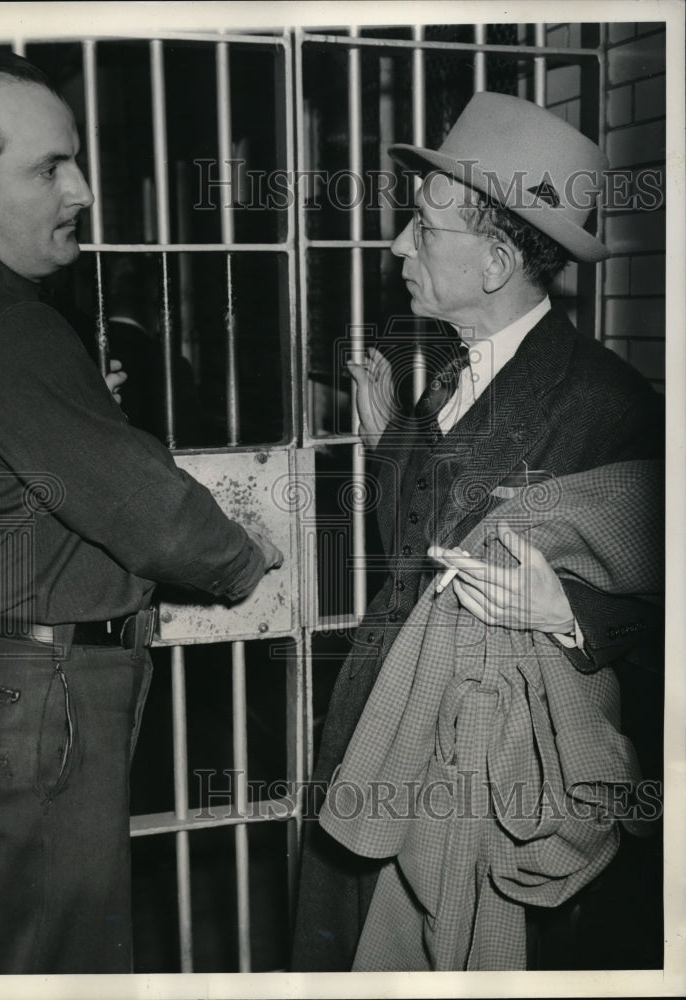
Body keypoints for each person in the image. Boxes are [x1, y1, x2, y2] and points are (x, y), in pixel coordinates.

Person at [291, 92, 664, 971]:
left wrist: (566, 614)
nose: (396, 248)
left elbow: (663, 605)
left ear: (496, 260)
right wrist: (392, 443)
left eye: (421, 228)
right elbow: (413, 548)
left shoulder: (610, 408)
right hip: (379, 721)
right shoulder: (451, 370)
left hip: (484, 782)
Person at [0, 51, 282, 975]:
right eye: (48, 168)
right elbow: (156, 517)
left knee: (8, 952)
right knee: (62, 963)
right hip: (42, 696)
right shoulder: (6, 322)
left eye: (76, 161)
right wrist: (248, 554)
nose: (82, 190)